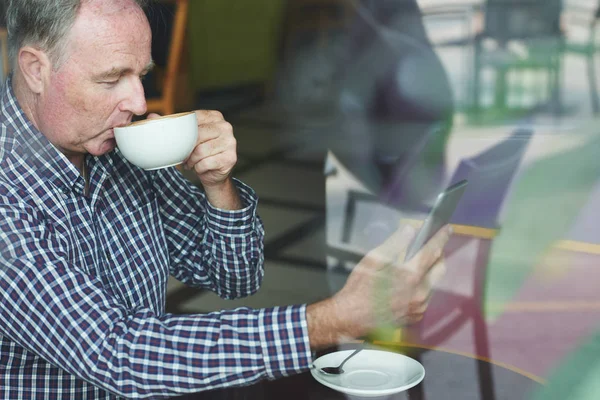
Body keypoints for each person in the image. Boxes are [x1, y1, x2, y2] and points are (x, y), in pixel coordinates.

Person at [0, 0, 450, 398]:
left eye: (141, 75)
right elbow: (117, 352)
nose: (138, 102)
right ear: (36, 69)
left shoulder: (114, 150)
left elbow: (234, 277)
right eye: (112, 78)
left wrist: (218, 184)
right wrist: (336, 319)